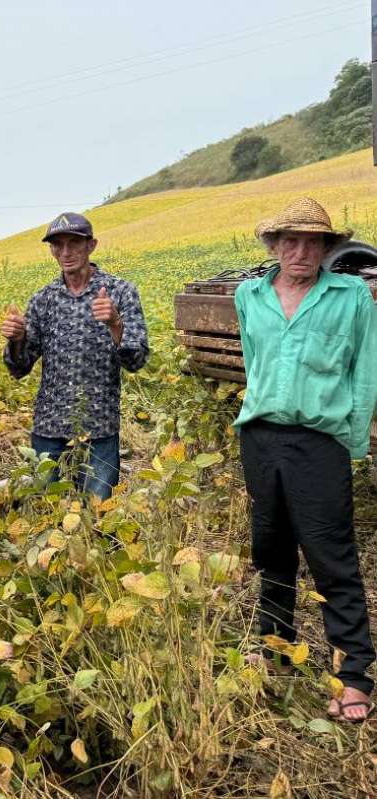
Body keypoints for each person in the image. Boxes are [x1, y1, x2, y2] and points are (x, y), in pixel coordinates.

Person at [233, 197, 377, 723]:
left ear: (327, 247)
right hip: (260, 438)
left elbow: (364, 374)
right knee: (269, 547)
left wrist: (351, 443)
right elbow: (255, 362)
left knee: (330, 554)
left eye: (312, 242)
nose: (300, 252)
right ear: (273, 247)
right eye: (289, 241)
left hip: (320, 442)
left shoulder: (351, 296)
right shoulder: (250, 295)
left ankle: (354, 672)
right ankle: (276, 648)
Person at [0, 212, 148, 499]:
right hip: (49, 424)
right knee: (44, 509)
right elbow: (20, 367)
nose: (66, 253)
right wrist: (17, 340)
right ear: (52, 250)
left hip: (99, 425)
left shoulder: (119, 292)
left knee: (98, 517)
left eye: (74, 244)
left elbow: (136, 361)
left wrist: (116, 324)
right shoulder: (43, 299)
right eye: (58, 246)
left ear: (91, 246)